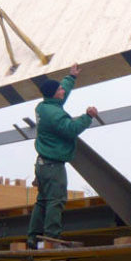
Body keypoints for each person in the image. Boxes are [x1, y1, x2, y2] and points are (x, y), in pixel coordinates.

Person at [27, 63, 98, 248]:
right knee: (55, 200)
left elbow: (59, 96)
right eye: (59, 89)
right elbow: (71, 129)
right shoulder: (55, 115)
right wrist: (88, 116)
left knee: (42, 201)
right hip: (53, 166)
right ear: (53, 94)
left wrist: (71, 77)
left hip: (42, 165)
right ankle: (51, 237)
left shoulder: (43, 107)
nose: (62, 91)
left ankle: (33, 237)